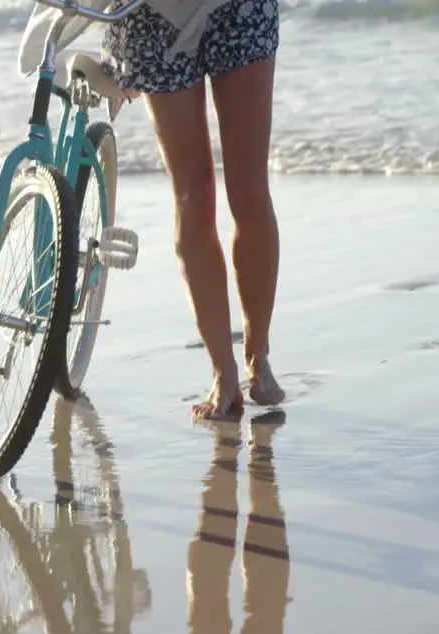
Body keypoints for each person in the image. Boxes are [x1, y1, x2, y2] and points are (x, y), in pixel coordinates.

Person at [103, 0, 285, 421]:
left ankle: (258, 356)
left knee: (249, 191)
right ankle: (223, 371)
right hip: (149, 14)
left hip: (238, 7)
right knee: (193, 194)